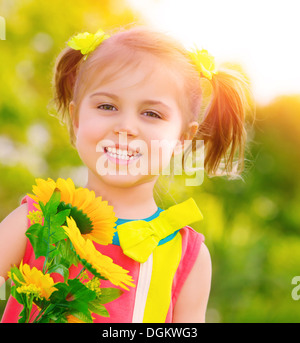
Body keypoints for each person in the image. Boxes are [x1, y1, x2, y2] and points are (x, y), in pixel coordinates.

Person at [0, 26, 251, 323]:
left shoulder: (188, 257)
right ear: (77, 118)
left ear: (182, 138)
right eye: (107, 106)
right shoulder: (35, 220)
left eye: (151, 114)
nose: (126, 127)